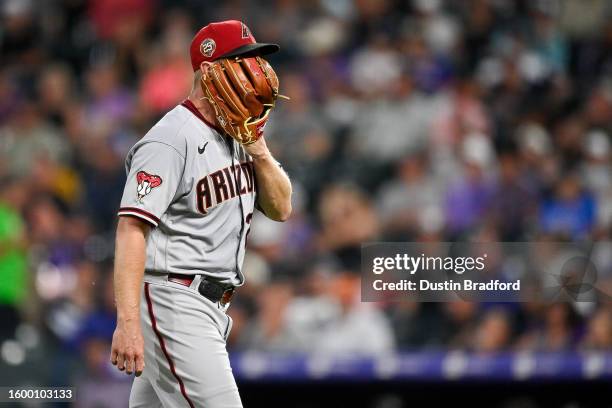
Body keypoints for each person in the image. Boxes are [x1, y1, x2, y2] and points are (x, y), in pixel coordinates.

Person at [109, 20, 292, 407]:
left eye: (255, 61)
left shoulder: (240, 134)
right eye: (242, 61)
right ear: (210, 71)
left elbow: (281, 208)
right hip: (173, 300)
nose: (254, 73)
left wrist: (257, 148)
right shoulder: (171, 138)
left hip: (208, 306)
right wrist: (127, 322)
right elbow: (130, 230)